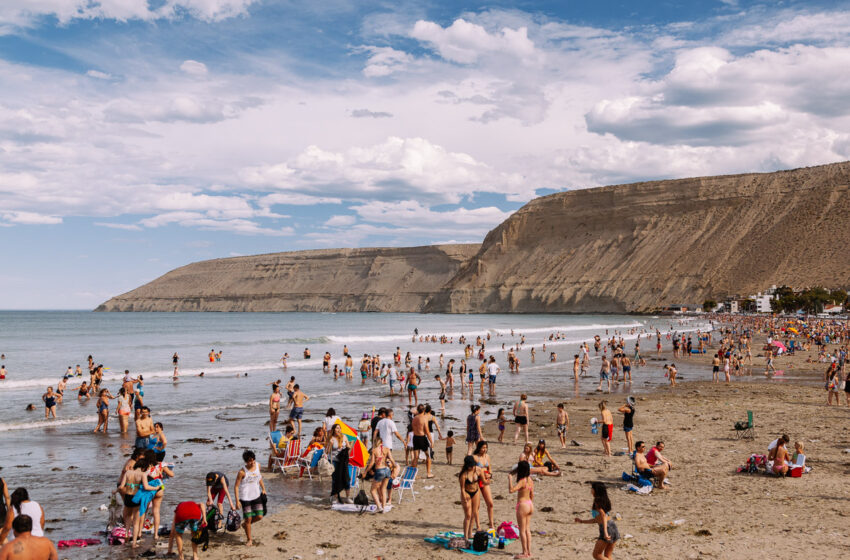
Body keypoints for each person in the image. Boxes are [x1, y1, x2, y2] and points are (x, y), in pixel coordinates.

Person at [574, 481, 619, 560]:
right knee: (607, 556)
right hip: (613, 526)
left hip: (607, 528)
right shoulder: (603, 500)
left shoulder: (597, 502)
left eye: (592, 488)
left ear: (596, 490)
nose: (591, 490)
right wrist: (582, 521)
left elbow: (603, 516)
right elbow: (597, 519)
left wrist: (605, 532)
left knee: (596, 555)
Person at [234, 450, 266, 547]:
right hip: (245, 498)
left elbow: (259, 477)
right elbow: (236, 486)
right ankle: (249, 539)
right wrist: (237, 501)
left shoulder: (258, 466)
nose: (252, 463)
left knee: (260, 516)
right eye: (249, 461)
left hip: (256, 495)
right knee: (248, 519)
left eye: (253, 460)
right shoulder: (242, 472)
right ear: (246, 462)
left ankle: (245, 525)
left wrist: (263, 488)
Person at [363, 435, 396, 512]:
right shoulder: (387, 449)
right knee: (383, 489)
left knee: (373, 490)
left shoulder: (374, 450)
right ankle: (383, 508)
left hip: (380, 470)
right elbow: (392, 459)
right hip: (387, 470)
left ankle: (379, 507)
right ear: (382, 442)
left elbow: (371, 463)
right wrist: (394, 468)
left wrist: (365, 472)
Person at [508, 461, 534, 559]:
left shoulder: (522, 481)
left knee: (522, 530)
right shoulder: (530, 479)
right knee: (527, 529)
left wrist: (510, 479)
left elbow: (511, 490)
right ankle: (529, 552)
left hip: (523, 505)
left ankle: (524, 552)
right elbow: (532, 494)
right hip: (530, 504)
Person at [458, 456, 483, 539]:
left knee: (474, 513)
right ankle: (465, 536)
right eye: (470, 466)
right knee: (468, 515)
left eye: (473, 465)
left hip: (476, 491)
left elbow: (483, 480)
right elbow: (462, 489)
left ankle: (470, 533)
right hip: (467, 493)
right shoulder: (463, 475)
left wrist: (488, 477)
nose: (472, 467)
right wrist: (464, 498)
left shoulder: (477, 469)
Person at [472, 441, 495, 529]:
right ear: (479, 448)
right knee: (477, 505)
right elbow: (471, 470)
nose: (484, 449)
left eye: (486, 448)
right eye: (483, 448)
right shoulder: (475, 457)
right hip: (477, 481)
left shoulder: (487, 457)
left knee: (490, 503)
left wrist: (490, 475)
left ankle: (491, 524)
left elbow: (490, 469)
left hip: (485, 480)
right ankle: (478, 525)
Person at [410, 404, 434, 478]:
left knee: (416, 457)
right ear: (424, 410)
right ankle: (428, 473)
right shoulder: (424, 418)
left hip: (415, 437)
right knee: (428, 455)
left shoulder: (414, 418)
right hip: (422, 438)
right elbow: (427, 431)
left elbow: (412, 428)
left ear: (417, 410)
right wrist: (431, 441)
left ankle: (414, 474)